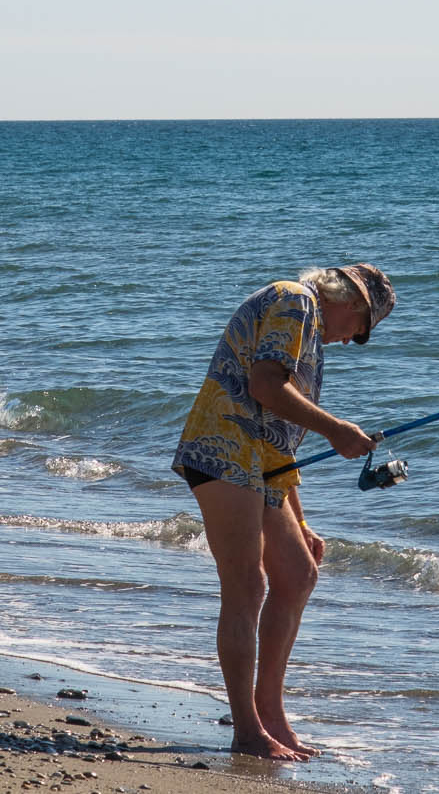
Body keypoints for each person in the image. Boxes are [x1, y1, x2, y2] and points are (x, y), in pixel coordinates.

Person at [172, 263, 397, 762]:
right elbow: (265, 388)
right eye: (359, 332)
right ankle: (247, 731)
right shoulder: (296, 300)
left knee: (297, 573)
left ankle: (270, 713)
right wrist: (336, 429)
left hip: (261, 463)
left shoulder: (311, 327)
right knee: (247, 584)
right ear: (353, 305)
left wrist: (300, 517)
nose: (349, 341)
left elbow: (278, 436)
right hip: (222, 448)